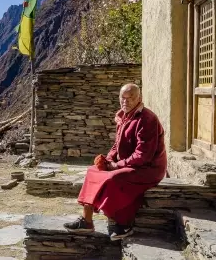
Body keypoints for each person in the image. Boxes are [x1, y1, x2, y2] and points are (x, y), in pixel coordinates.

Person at [63, 83, 167, 241]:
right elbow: (116, 145)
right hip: (129, 164)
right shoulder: (124, 116)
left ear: (139, 98)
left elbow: (143, 155)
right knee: (93, 171)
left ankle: (121, 224)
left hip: (149, 168)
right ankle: (86, 221)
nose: (125, 101)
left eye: (130, 97)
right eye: (122, 98)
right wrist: (108, 160)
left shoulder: (147, 119)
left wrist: (115, 166)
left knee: (113, 179)